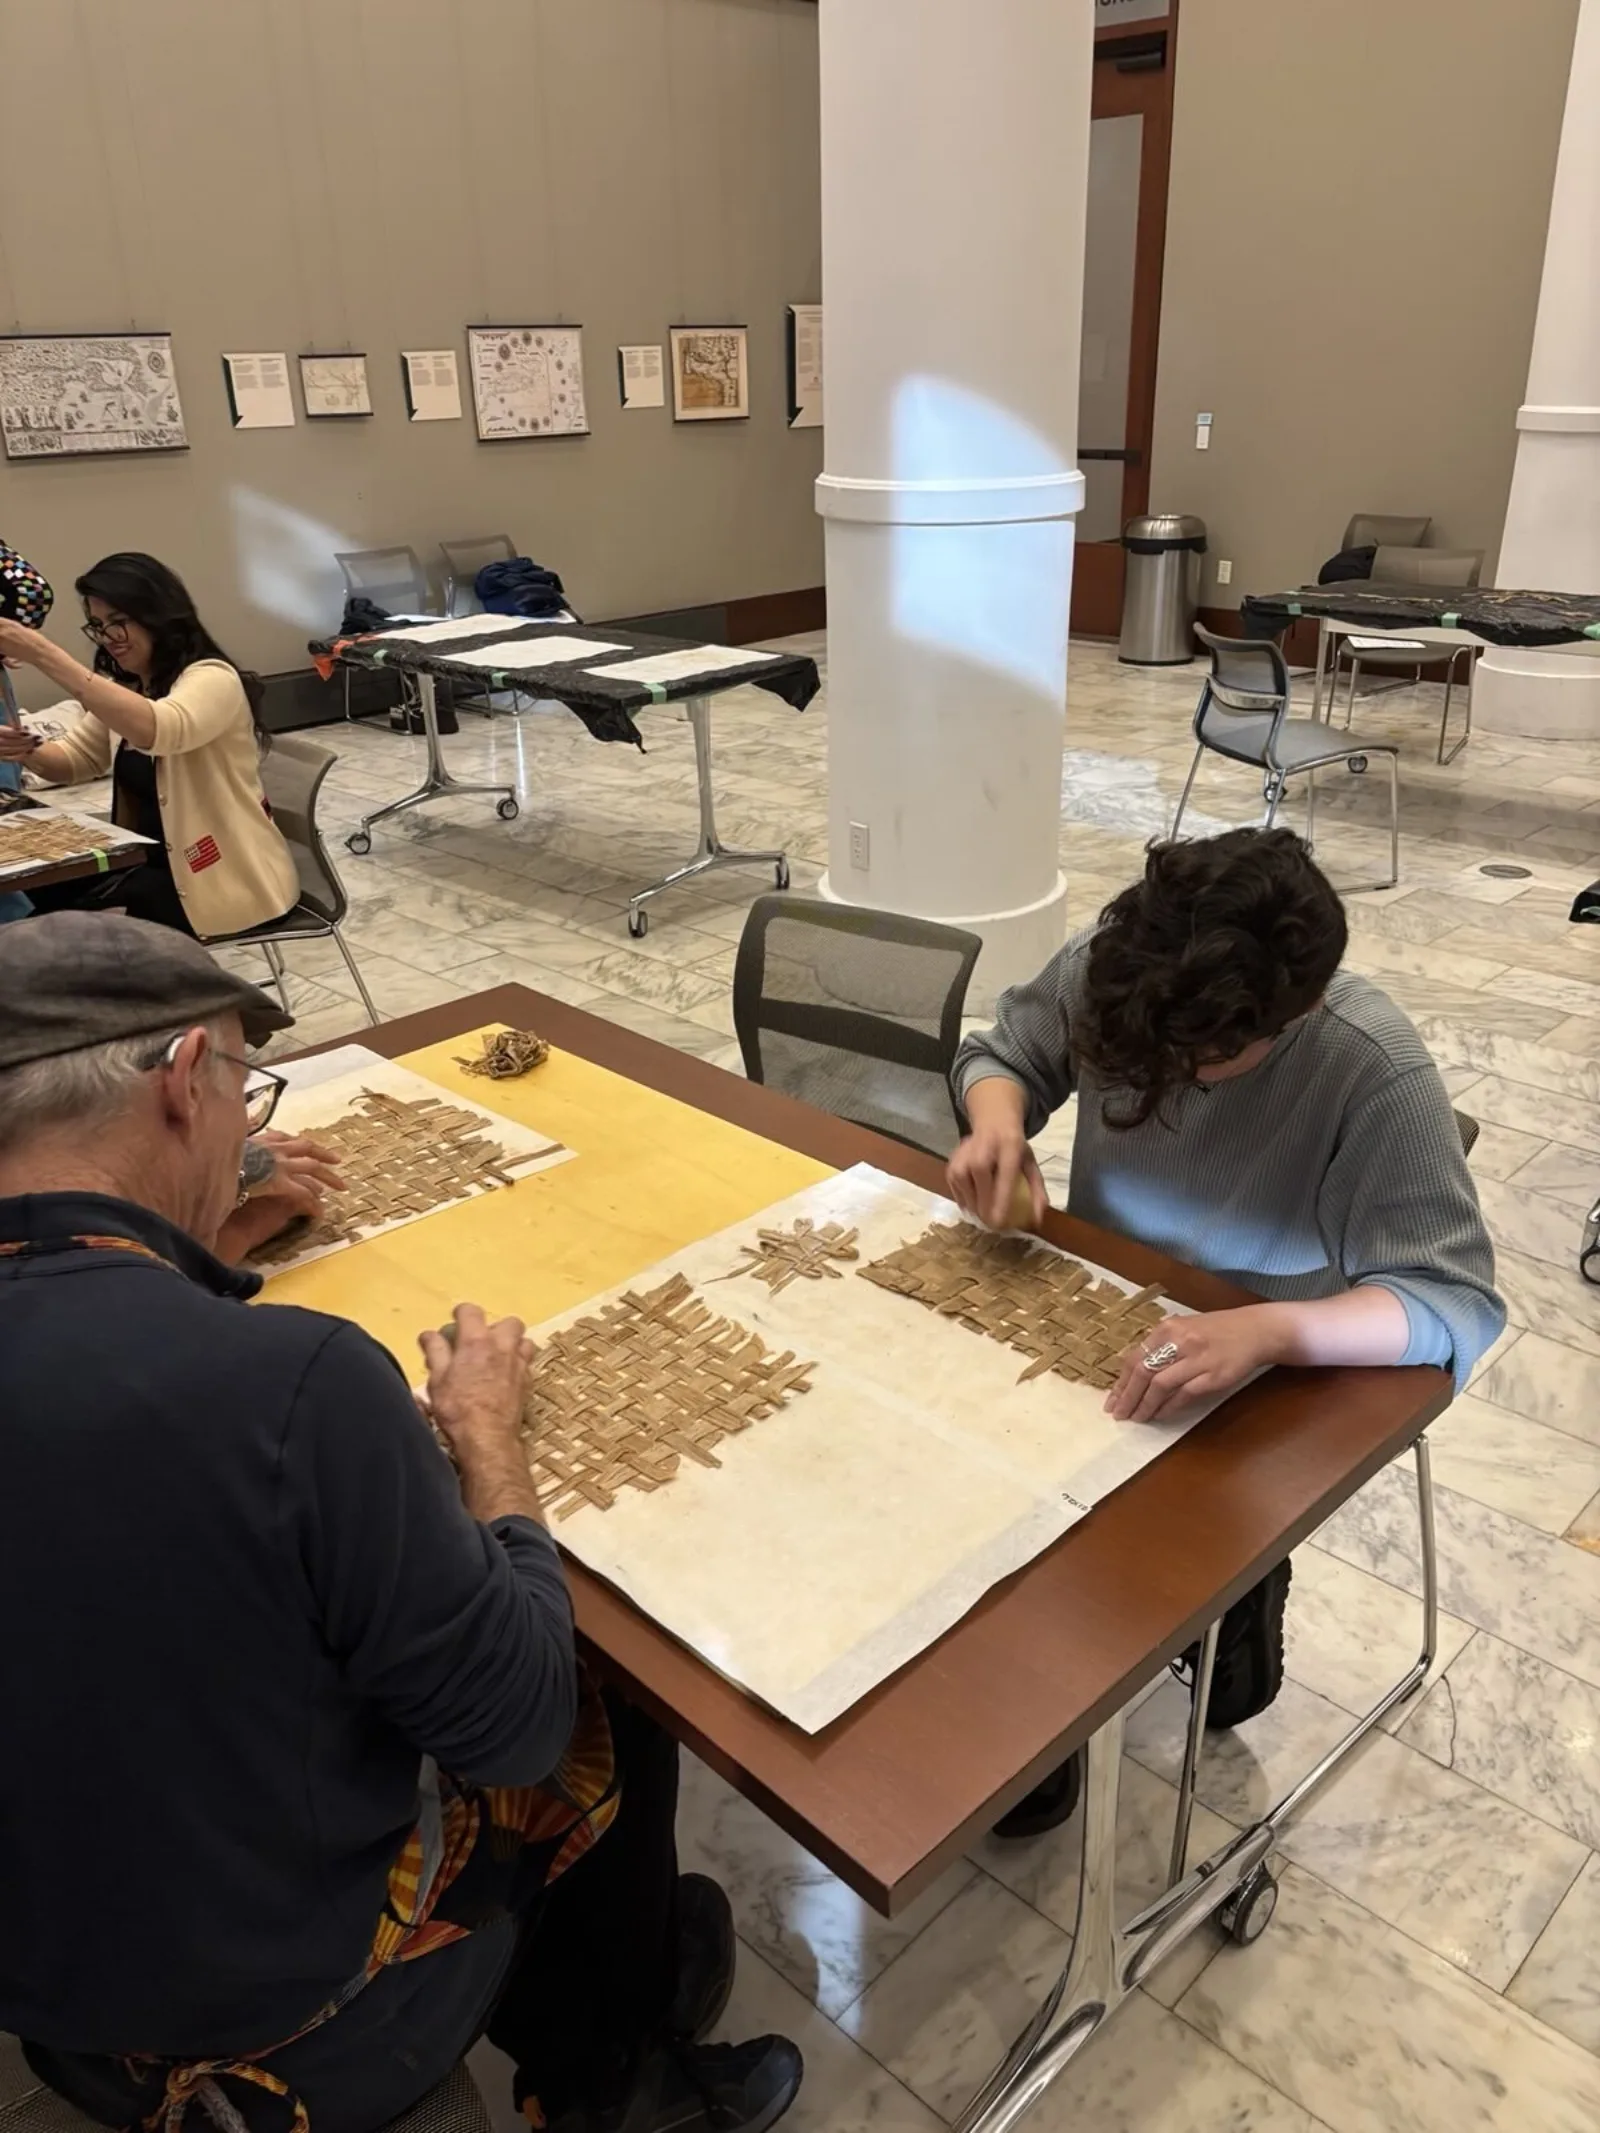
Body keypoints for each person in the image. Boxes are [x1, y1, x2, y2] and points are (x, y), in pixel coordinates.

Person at [0, 911, 802, 2133]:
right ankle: (607, 2070)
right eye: (241, 1098)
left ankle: (620, 1988)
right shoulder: (291, 1386)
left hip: (46, 1977)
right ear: (178, 1087)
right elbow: (514, 1729)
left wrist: (183, 1247)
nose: (247, 1138)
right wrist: (487, 1438)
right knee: (589, 1684)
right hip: (275, 2010)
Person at [949, 827, 1503, 1836]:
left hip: (1263, 1382)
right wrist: (997, 1124)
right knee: (991, 1516)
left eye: (1198, 1060)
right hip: (1093, 1313)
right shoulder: (1118, 971)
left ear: (1292, 1015)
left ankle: (1239, 1602)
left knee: (1218, 1676)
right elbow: (1002, 1052)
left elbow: (1452, 1301)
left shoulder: (1371, 1070)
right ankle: (1025, 1731)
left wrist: (1268, 1333)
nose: (1162, 1071)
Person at [0, 552, 299, 939]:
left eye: (119, 623)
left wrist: (42, 653)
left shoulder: (212, 678)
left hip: (226, 882)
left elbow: (159, 729)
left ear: (159, 616)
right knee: (30, 897)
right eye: (98, 626)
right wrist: (23, 750)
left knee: (54, 932)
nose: (109, 639)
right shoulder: (131, 688)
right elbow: (74, 762)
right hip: (155, 867)